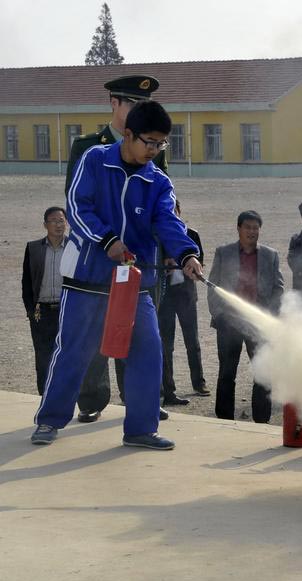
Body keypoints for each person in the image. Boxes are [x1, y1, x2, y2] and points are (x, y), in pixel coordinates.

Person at [31, 100, 202, 449]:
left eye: (161, 144)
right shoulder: (94, 159)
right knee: (74, 350)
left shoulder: (158, 181)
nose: (154, 151)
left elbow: (168, 221)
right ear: (128, 134)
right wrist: (106, 239)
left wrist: (186, 253)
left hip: (133, 283)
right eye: (149, 142)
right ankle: (49, 420)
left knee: (148, 349)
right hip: (87, 279)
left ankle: (140, 428)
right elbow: (78, 206)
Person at [68, 75, 166, 425]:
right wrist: (106, 239)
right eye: (132, 104)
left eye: (144, 105)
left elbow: (158, 202)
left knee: (139, 331)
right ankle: (92, 398)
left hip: (135, 258)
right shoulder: (89, 147)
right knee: (94, 330)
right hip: (98, 254)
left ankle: (138, 400)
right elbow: (77, 202)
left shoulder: (152, 145)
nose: (139, 110)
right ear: (114, 104)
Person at [208, 210, 284, 424]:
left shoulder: (271, 255)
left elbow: (278, 288)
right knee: (226, 373)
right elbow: (213, 286)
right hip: (229, 323)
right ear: (239, 228)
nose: (252, 231)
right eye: (248, 227)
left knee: (263, 372)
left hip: (257, 324)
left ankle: (261, 420)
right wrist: (220, 314)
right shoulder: (224, 252)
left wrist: (267, 314)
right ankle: (223, 420)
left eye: (256, 228)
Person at [159, 199, 207, 406]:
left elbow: (200, 261)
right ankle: (167, 388)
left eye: (174, 210)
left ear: (179, 211)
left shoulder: (192, 234)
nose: (172, 214)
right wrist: (164, 265)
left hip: (186, 295)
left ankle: (199, 383)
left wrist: (183, 264)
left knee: (192, 342)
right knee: (165, 344)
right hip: (164, 297)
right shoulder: (158, 235)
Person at [22, 207, 68, 394]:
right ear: (45, 225)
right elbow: (26, 282)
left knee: (67, 355)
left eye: (62, 220)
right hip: (43, 312)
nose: (58, 224)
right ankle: (44, 396)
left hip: (68, 310)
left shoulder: (74, 247)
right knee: (43, 357)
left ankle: (66, 396)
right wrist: (31, 311)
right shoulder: (33, 249)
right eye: (54, 221)